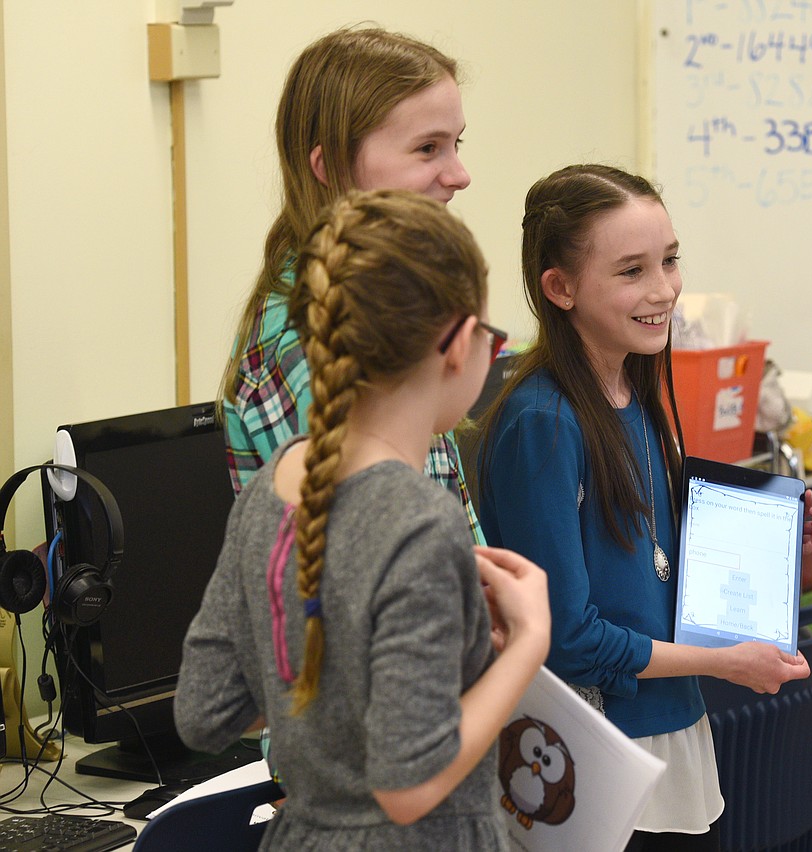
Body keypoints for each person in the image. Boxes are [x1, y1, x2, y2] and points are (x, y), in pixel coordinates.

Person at [176, 190, 549, 849]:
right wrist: (527, 645)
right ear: (460, 345)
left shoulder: (270, 490)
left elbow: (204, 715)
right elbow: (409, 788)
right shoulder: (420, 523)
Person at [474, 164, 812, 850]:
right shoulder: (544, 424)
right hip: (592, 761)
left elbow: (655, 565)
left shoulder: (637, 397)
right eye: (632, 270)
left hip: (671, 737)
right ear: (560, 287)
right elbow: (567, 639)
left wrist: (770, 546)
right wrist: (721, 662)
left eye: (669, 261)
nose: (664, 290)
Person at [219, 25, 483, 545]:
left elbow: (445, 516)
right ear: (332, 166)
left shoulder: (393, 302)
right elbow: (361, 571)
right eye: (428, 148)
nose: (459, 174)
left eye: (456, 144)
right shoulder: (305, 340)